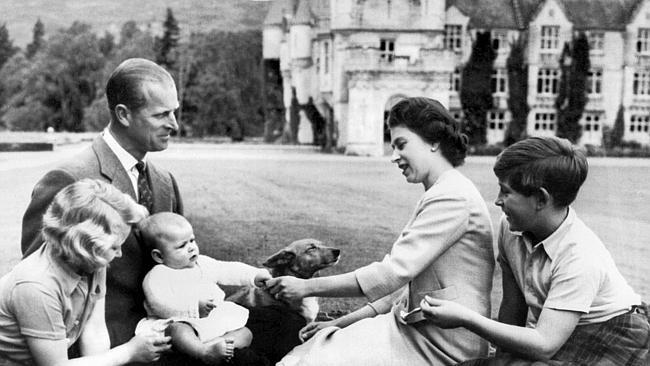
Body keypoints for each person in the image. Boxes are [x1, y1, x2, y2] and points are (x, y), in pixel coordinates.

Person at [266, 97, 496, 365]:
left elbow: (391, 274)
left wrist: (307, 287)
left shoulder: (453, 198)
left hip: (444, 347)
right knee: (310, 350)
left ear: (434, 142)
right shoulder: (441, 192)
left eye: (402, 145)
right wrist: (342, 322)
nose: (394, 156)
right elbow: (404, 292)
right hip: (413, 332)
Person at [421, 136, 650, 366]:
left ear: (540, 198)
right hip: (559, 333)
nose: (498, 201)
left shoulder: (580, 255)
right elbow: (513, 307)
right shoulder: (509, 228)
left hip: (614, 335)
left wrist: (466, 318)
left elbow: (544, 346)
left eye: (506, 191)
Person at [20, 58, 184, 350]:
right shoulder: (67, 180)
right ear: (123, 114)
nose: (174, 124)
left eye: (175, 112)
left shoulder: (164, 182)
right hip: (100, 348)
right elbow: (40, 292)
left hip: (171, 339)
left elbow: (183, 264)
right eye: (162, 115)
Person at [0, 179, 172, 366]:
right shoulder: (37, 286)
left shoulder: (91, 261)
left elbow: (95, 330)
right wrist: (128, 352)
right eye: (114, 247)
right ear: (82, 245)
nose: (120, 254)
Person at [135, 212, 272, 365]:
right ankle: (203, 352)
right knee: (177, 330)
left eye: (192, 240)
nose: (191, 248)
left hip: (210, 320)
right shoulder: (158, 275)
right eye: (182, 246)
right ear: (159, 256)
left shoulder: (202, 263)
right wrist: (193, 307)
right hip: (181, 320)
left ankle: (218, 347)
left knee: (245, 333)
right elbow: (159, 303)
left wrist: (253, 275)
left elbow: (227, 269)